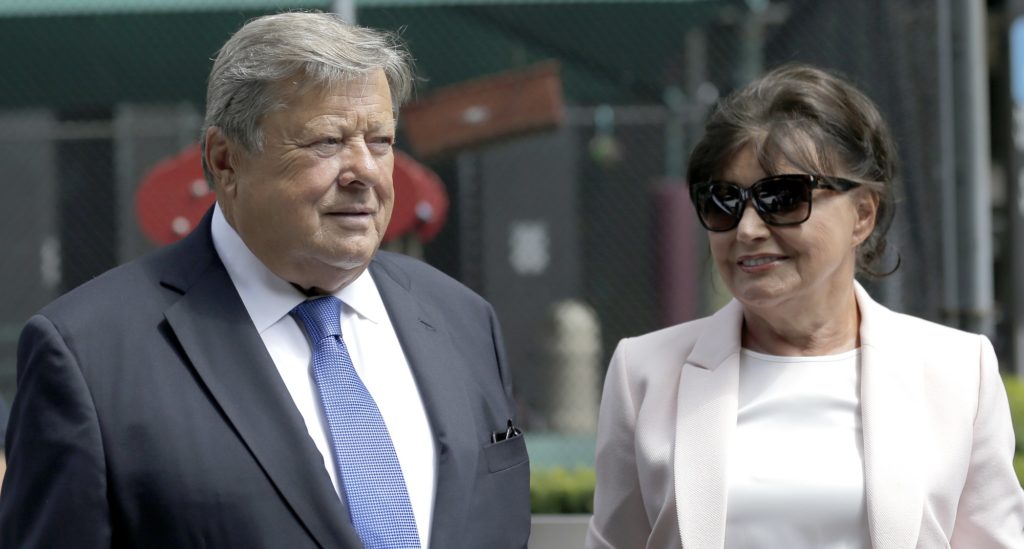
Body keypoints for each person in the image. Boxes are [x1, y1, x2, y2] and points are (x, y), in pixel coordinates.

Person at [0, 12, 529, 549]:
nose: (365, 172)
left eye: (380, 140)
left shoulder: (463, 319)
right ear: (225, 160)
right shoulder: (89, 355)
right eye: (327, 141)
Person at [586, 63, 1024, 548]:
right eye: (723, 200)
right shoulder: (643, 372)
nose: (747, 228)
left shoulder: (959, 371)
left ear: (863, 213)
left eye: (783, 197)